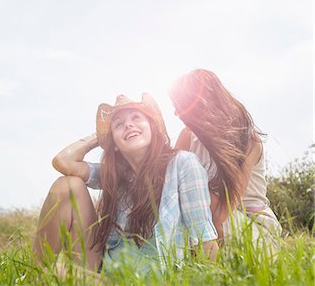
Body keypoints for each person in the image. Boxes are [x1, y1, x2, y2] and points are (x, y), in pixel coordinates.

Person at [33, 93, 218, 274]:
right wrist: (101, 136)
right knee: (68, 185)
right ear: (113, 142)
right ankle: (33, 274)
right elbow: (63, 162)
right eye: (119, 124)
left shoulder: (183, 164)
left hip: (155, 279)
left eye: (136, 117)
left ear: (153, 127)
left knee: (57, 272)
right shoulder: (115, 174)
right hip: (103, 275)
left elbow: (205, 241)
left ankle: (43, 275)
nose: (128, 124)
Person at [169, 69, 282, 247]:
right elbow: (168, 187)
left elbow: (221, 214)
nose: (176, 113)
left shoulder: (248, 141)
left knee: (201, 194)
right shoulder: (188, 137)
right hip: (204, 218)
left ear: (202, 102)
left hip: (250, 225)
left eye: (180, 104)